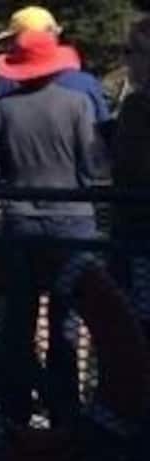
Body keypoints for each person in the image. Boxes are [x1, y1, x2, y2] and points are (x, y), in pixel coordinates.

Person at [0, 30, 150, 461]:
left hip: (20, 225)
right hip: (73, 224)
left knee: (18, 323)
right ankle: (69, 414)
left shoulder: (1, 110)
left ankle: (13, 411)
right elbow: (93, 167)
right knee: (70, 322)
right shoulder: (78, 104)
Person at [0, 6, 111, 122]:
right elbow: (104, 128)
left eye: (12, 40)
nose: (9, 46)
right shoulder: (85, 83)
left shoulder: (4, 84)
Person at [113, 18, 150, 322]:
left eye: (131, 51)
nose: (127, 60)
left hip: (139, 229)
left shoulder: (137, 107)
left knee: (136, 320)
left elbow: (129, 166)